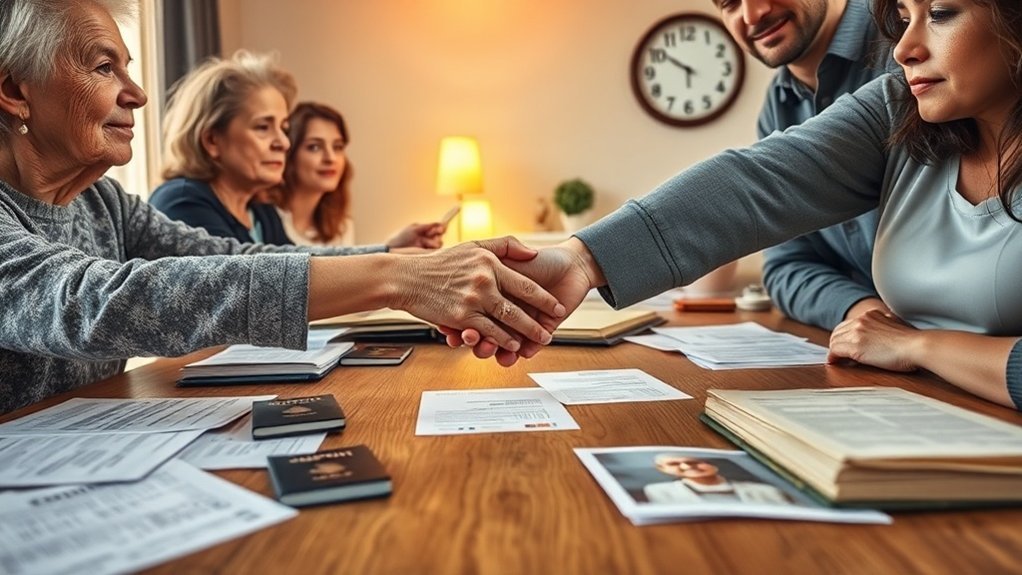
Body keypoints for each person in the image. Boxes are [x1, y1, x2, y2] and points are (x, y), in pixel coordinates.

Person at [0, 0, 564, 415]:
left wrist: (397, 259)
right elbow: (97, 303)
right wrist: (396, 274)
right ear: (14, 89)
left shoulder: (102, 201)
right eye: (104, 68)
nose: (137, 93)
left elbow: (236, 255)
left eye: (128, 67)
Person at [456, 0, 1022, 411]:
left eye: (942, 12)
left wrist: (919, 345)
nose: (903, 48)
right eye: (903, 17)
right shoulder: (899, 104)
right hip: (917, 406)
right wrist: (581, 259)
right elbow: (757, 182)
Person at [716, 0, 894, 330]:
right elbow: (787, 265)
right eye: (729, 3)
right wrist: (864, 314)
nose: (752, 14)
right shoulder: (778, 107)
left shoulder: (904, 36)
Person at [271, 101, 445, 248]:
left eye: (337, 147)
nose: (330, 158)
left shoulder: (341, 227)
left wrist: (394, 247)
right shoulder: (265, 220)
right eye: (314, 147)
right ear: (289, 153)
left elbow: (346, 275)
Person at [643, 454, 792, 505]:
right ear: (663, 469)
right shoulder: (658, 491)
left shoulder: (767, 491)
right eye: (673, 464)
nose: (686, 466)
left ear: (714, 464)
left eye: (695, 461)